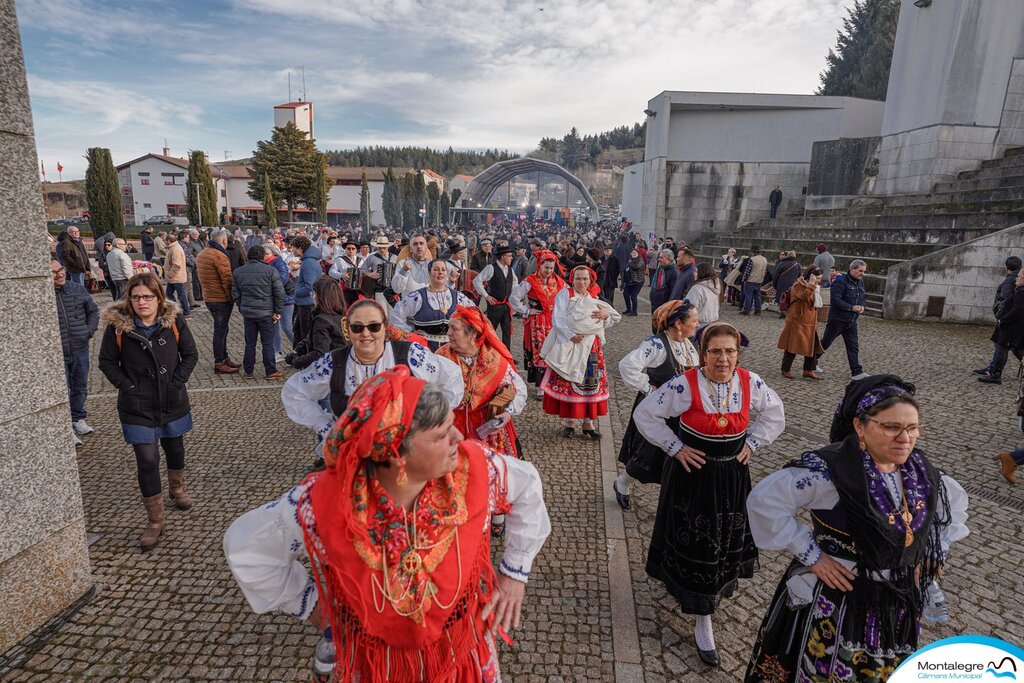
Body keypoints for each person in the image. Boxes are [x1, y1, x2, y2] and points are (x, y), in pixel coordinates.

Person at [225, 366, 551, 682]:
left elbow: (527, 486)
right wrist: (311, 604)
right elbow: (248, 545)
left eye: (452, 424)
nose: (457, 436)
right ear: (397, 454)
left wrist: (514, 574)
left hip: (460, 652)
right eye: (441, 434)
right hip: (372, 663)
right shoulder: (323, 500)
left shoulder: (474, 467)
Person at [745, 378, 968, 681]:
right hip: (837, 597)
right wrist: (813, 556)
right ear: (860, 426)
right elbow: (764, 502)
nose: (905, 438)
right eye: (890, 427)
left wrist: (930, 554)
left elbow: (947, 510)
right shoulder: (832, 472)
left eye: (912, 427)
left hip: (894, 603)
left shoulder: (922, 473)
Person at [634, 322, 785, 666]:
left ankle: (710, 596)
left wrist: (753, 443)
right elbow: (646, 413)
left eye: (729, 351)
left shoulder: (751, 382)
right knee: (696, 540)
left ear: (738, 353)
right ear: (703, 354)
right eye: (715, 351)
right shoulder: (685, 384)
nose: (723, 358)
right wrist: (674, 447)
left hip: (732, 474)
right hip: (693, 475)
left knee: (723, 536)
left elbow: (776, 415)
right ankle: (703, 617)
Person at [97, 271, 199, 551]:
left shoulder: (173, 320)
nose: (142, 302)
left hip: (171, 400)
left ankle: (177, 489)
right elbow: (106, 362)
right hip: (136, 406)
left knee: (175, 448)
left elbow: (190, 354)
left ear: (158, 297)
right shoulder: (119, 326)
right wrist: (128, 387)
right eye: (136, 297)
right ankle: (155, 520)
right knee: (147, 460)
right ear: (129, 299)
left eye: (147, 297)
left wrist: (176, 383)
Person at [281, 299, 463, 450]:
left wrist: (426, 424)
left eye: (374, 327)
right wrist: (328, 428)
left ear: (385, 328)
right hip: (353, 454)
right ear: (348, 329)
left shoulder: (409, 354)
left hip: (403, 455)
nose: (366, 334)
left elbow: (451, 377)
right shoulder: (335, 362)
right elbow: (295, 392)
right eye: (357, 328)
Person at [613, 300, 701, 509]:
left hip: (680, 410)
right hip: (656, 410)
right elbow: (627, 365)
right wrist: (648, 388)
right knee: (648, 452)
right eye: (694, 320)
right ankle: (622, 483)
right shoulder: (656, 344)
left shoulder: (688, 345)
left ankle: (674, 499)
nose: (698, 324)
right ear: (679, 323)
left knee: (676, 453)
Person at [437, 305, 527, 464]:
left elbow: (519, 390)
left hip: (486, 432)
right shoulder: (441, 357)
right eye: (448, 327)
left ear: (472, 334)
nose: (448, 333)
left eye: (454, 329)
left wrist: (507, 414)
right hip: (451, 428)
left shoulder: (493, 360)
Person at [539, 265, 621, 439]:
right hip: (571, 342)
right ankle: (570, 422)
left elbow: (604, 322)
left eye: (585, 279)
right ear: (572, 279)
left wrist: (605, 316)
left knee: (590, 383)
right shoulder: (565, 295)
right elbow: (558, 319)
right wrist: (571, 334)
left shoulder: (595, 298)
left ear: (590, 280)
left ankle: (588, 422)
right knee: (570, 381)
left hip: (592, 346)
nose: (581, 282)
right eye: (578, 278)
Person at [52, 258, 99, 445]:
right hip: (58, 351)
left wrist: (88, 331)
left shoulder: (76, 288)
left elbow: (93, 311)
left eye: (61, 269)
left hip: (80, 347)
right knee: (62, 390)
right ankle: (65, 427)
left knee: (80, 386)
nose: (60, 273)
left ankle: (77, 418)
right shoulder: (43, 294)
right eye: (54, 272)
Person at [511, 250, 566, 399]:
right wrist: (526, 310)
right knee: (540, 353)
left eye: (551, 267)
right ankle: (541, 388)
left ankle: (553, 385)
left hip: (554, 322)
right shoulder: (530, 281)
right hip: (537, 323)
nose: (548, 271)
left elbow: (569, 297)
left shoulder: (559, 282)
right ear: (539, 266)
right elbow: (514, 298)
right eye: (546, 267)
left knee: (554, 352)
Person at [391, 259, 476, 351]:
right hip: (425, 348)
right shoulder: (417, 296)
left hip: (453, 348)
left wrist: (464, 333)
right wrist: (409, 333)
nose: (440, 272)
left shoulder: (458, 297)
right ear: (429, 273)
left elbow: (474, 314)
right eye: (436, 269)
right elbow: (397, 315)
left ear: (447, 273)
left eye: (443, 270)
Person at [232, 245, 285, 380]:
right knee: (267, 343)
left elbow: (235, 293)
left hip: (248, 312)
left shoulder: (238, 272)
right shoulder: (271, 271)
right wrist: (278, 310)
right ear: (262, 256)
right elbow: (279, 292)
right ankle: (270, 371)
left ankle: (248, 371)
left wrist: (241, 307)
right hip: (266, 313)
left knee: (250, 343)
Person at [196, 229, 239, 374]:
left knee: (223, 329)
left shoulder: (202, 253)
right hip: (220, 298)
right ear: (224, 241)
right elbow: (227, 280)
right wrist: (232, 298)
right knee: (220, 330)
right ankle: (219, 361)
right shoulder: (219, 255)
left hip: (209, 296)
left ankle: (224, 357)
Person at [976, 256, 1023, 383]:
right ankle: (993, 369)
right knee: (1010, 347)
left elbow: (1008, 302)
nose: (1017, 279)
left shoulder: (1015, 284)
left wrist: (1001, 317)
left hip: (1009, 321)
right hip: (1010, 321)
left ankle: (995, 373)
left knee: (1004, 346)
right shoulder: (1017, 284)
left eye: (1020, 277)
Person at [820, 259, 869, 379]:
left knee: (853, 347)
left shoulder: (860, 283)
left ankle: (856, 372)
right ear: (852, 269)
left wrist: (862, 306)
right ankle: (811, 362)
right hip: (838, 320)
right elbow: (835, 301)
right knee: (825, 343)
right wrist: (851, 307)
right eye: (860, 271)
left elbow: (862, 297)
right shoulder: (840, 282)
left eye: (864, 271)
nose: (862, 273)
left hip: (851, 321)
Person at [286, 276, 347, 370]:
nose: (313, 297)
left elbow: (320, 353)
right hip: (343, 364)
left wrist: (297, 361)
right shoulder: (342, 315)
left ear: (321, 296)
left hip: (329, 370)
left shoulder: (322, 320)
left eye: (314, 294)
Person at [778, 266, 825, 380]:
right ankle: (785, 369)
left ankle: (808, 370)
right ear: (811, 276)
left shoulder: (814, 286)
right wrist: (812, 284)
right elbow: (803, 296)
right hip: (798, 320)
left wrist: (813, 285)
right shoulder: (798, 284)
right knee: (792, 345)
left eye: (820, 278)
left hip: (809, 321)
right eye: (817, 278)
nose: (819, 280)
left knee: (811, 346)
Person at [473, 245, 518, 349]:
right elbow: (477, 281)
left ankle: (507, 356)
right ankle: (486, 354)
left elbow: (515, 284)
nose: (512, 258)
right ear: (502, 257)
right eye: (509, 256)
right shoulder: (491, 268)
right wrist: (486, 296)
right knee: (490, 332)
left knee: (507, 333)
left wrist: (513, 297)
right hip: (495, 306)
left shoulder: (510, 269)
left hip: (506, 306)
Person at [264, 246, 295, 363]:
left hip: (285, 299)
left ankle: (299, 348)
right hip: (271, 299)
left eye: (267, 253)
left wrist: (268, 283)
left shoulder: (279, 262)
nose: (264, 255)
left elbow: (283, 279)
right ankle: (277, 352)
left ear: (274, 254)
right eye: (263, 254)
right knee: (274, 327)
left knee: (287, 327)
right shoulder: (263, 264)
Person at [291, 235, 323, 344]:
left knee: (305, 335)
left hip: (307, 305)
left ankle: (304, 358)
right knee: (298, 332)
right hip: (306, 303)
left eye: (294, 247)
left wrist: (296, 292)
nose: (292, 250)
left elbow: (310, 286)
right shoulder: (308, 260)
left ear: (300, 248)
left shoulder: (308, 262)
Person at [359, 235, 398, 312]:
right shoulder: (372, 257)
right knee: (383, 313)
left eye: (384, 248)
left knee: (393, 314)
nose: (382, 250)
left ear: (388, 247)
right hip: (379, 290)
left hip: (392, 290)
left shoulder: (395, 257)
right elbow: (361, 269)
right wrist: (370, 274)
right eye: (380, 248)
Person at [163, 234, 191, 318]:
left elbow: (177, 264)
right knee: (169, 294)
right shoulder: (173, 247)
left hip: (176, 277)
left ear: (168, 241)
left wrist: (170, 275)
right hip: (174, 277)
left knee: (180, 295)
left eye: (165, 240)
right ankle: (174, 309)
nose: (164, 242)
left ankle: (186, 312)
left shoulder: (175, 249)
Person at [687, 262, 721, 327]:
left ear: (702, 273)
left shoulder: (697, 288)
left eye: (696, 271)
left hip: (698, 323)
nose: (694, 273)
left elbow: (689, 307)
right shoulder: (716, 286)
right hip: (713, 322)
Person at [740, 245, 769, 316]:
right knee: (757, 296)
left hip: (751, 280)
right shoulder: (764, 259)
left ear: (753, 252)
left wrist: (743, 279)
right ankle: (758, 310)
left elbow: (747, 271)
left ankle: (747, 310)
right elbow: (765, 271)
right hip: (759, 280)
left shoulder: (752, 259)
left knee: (748, 296)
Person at [771, 250, 801, 318]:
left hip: (781, 284)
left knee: (781, 298)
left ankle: (782, 312)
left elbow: (776, 275)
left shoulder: (781, 263)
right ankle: (788, 312)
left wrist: (774, 284)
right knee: (790, 298)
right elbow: (799, 276)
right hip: (792, 285)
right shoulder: (797, 264)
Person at [621, 247, 646, 317]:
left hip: (638, 281)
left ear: (638, 254)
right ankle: (628, 309)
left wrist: (630, 263)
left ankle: (634, 312)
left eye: (635, 253)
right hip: (629, 281)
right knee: (625, 295)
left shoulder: (640, 260)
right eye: (632, 253)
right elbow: (626, 271)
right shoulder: (630, 260)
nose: (634, 254)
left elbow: (636, 267)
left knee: (633, 296)